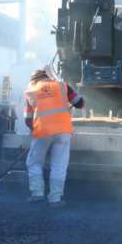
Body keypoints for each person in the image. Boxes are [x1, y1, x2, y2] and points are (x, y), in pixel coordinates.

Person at [23, 69, 84, 206]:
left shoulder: (30, 91)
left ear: (34, 80)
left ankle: (37, 193)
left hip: (42, 131)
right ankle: (55, 199)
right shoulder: (63, 86)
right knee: (59, 166)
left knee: (34, 163)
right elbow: (80, 103)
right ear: (47, 77)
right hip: (63, 131)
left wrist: (36, 135)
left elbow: (27, 120)